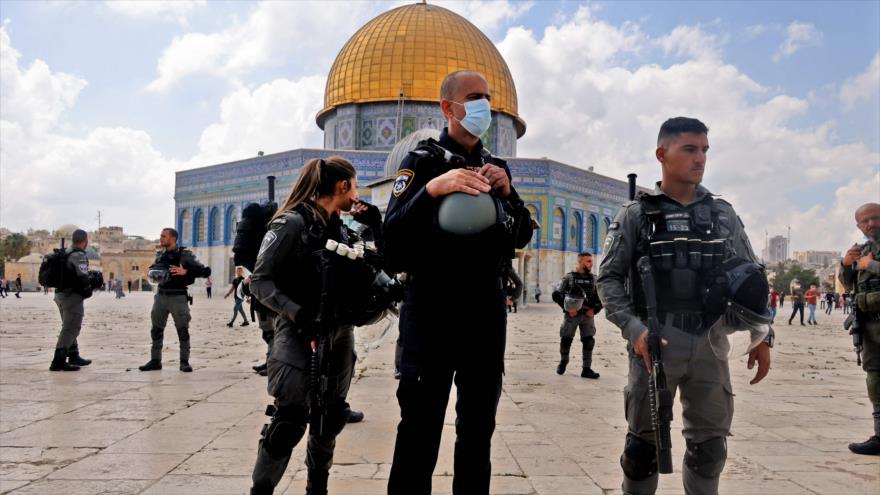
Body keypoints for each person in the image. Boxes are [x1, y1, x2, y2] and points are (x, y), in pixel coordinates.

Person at [597, 117, 772, 495]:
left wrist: (763, 334)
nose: (700, 159)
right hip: (654, 343)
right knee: (642, 448)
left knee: (710, 448)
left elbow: (753, 278)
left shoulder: (723, 214)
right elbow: (607, 279)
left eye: (705, 150)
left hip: (711, 341)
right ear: (662, 154)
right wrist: (633, 328)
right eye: (690, 149)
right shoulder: (636, 215)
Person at [383, 70, 533, 495]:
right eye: (474, 97)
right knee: (420, 427)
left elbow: (520, 235)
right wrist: (432, 190)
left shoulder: (496, 168)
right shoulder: (422, 164)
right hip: (431, 312)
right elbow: (391, 237)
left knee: (478, 429)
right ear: (448, 107)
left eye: (487, 97)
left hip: (484, 315)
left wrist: (509, 197)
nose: (484, 104)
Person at [247, 156, 383, 494]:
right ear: (341, 186)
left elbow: (377, 269)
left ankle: (316, 488)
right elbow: (260, 282)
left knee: (330, 417)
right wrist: (297, 313)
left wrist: (376, 228)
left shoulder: (341, 228)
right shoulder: (292, 223)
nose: (357, 193)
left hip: (339, 333)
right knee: (288, 421)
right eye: (354, 185)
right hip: (298, 331)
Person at [139, 228, 211, 373]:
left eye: (163, 236)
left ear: (173, 239)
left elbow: (205, 271)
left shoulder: (185, 255)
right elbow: (153, 270)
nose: (161, 238)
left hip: (178, 297)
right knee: (156, 329)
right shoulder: (160, 255)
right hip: (160, 296)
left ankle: (184, 362)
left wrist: (187, 272)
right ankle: (155, 360)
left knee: (182, 330)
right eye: (160, 236)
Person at [840, 202, 880, 455]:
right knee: (875, 378)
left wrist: (871, 265)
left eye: (875, 218)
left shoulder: (868, 257)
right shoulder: (863, 250)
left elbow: (868, 269)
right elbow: (849, 284)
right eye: (865, 221)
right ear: (859, 225)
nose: (871, 224)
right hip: (869, 324)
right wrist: (847, 264)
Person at [49, 229, 95, 371]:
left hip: (60, 295)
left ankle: (74, 355)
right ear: (85, 241)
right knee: (71, 328)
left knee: (69, 324)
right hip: (72, 297)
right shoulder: (79, 255)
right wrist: (89, 290)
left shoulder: (66, 252)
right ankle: (58, 360)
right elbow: (82, 277)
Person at [553, 252, 603, 378]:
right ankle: (564, 361)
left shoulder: (595, 279)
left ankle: (586, 369)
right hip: (572, 315)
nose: (591, 264)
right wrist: (568, 309)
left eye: (591, 261)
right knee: (565, 340)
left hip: (588, 315)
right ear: (580, 262)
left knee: (589, 341)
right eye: (588, 261)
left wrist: (595, 309)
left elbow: (603, 297)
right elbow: (556, 294)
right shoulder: (569, 278)